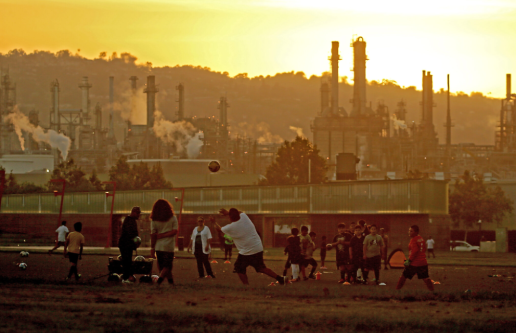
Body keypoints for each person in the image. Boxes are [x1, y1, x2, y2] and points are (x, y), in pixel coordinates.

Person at [211, 208, 287, 285]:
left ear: (230, 218)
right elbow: (240, 212)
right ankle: (280, 279)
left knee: (239, 268)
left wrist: (214, 222)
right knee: (261, 268)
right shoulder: (244, 218)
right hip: (257, 247)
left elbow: (219, 229)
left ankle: (246, 286)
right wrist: (228, 212)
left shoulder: (231, 227)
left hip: (246, 251)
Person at [396, 225, 434, 291]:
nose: (409, 232)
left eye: (411, 231)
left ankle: (397, 290)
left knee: (404, 276)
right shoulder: (421, 238)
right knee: (425, 278)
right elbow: (424, 249)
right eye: (409, 230)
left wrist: (409, 260)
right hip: (423, 262)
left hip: (414, 263)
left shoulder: (414, 240)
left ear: (416, 232)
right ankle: (432, 291)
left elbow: (415, 251)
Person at [150, 199, 178, 286]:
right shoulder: (173, 218)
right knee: (167, 267)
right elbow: (174, 231)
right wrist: (164, 235)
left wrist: (152, 248)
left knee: (163, 267)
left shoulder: (154, 220)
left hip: (159, 246)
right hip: (169, 246)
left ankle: (171, 283)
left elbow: (153, 235)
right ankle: (159, 282)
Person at [118, 206, 140, 283]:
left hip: (126, 244)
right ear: (133, 212)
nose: (138, 215)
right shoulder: (129, 221)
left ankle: (127, 276)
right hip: (125, 244)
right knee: (127, 261)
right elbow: (130, 234)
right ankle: (127, 277)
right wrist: (136, 240)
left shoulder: (130, 220)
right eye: (138, 213)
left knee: (127, 261)